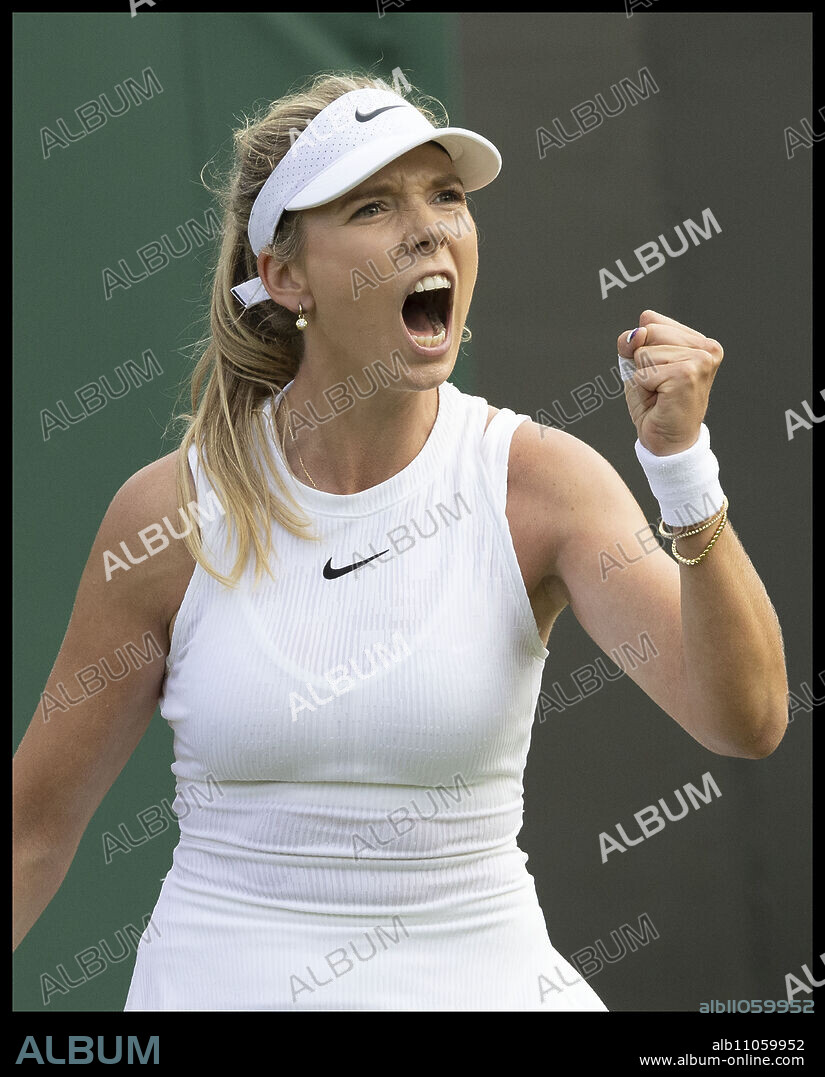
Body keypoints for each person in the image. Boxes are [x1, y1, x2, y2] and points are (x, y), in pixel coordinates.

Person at [13, 72, 788, 1012]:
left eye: (447, 196)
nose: (430, 228)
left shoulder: (542, 486)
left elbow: (742, 718)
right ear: (286, 273)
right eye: (375, 204)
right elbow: (32, 832)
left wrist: (684, 473)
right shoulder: (167, 517)